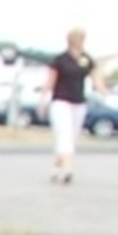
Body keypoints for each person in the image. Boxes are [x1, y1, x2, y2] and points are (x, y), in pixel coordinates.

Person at [47, 27, 95, 183]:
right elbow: (50, 81)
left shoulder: (86, 59)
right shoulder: (60, 60)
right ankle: (67, 170)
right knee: (64, 135)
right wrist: (43, 99)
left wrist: (104, 92)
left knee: (71, 138)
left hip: (78, 102)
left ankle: (56, 167)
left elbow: (96, 77)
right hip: (61, 101)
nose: (80, 42)